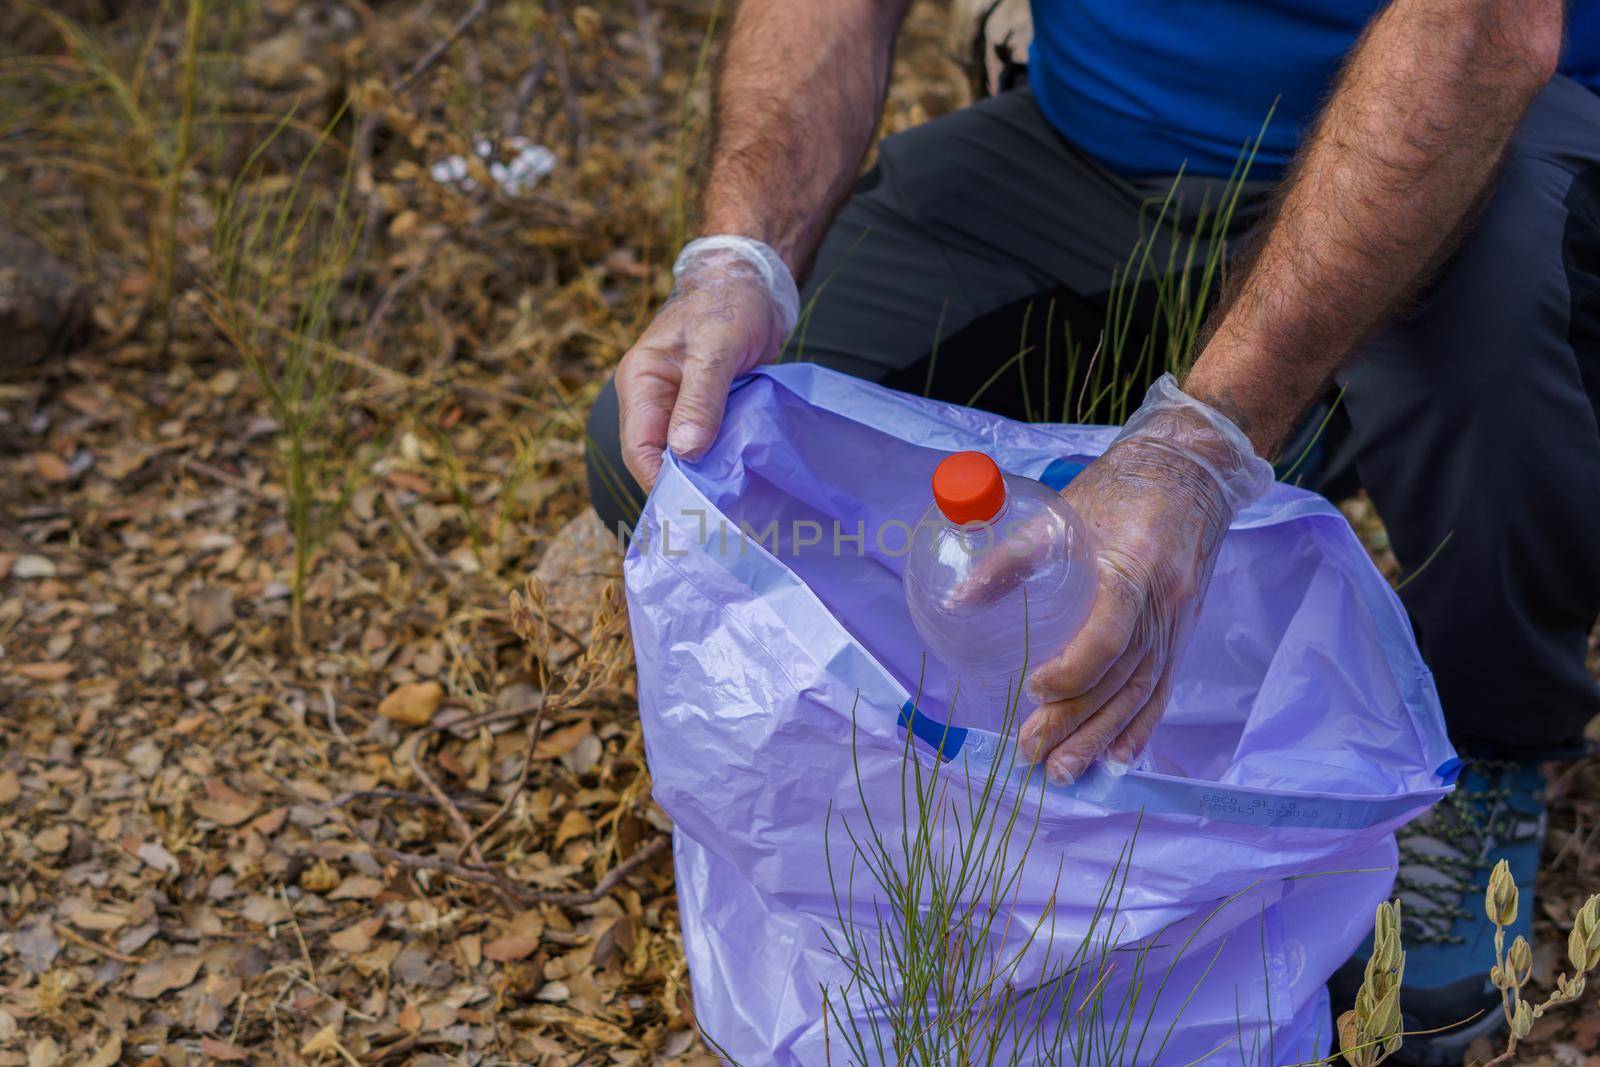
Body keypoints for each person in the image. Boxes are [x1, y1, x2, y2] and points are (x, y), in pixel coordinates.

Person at [584, 1, 1600, 1060]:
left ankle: (1484, 745)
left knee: (1512, 333)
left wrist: (1192, 453)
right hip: (1094, 150)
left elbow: (1481, 33)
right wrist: (740, 257)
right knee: (689, 440)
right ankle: (932, 751)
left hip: (1457, 147)